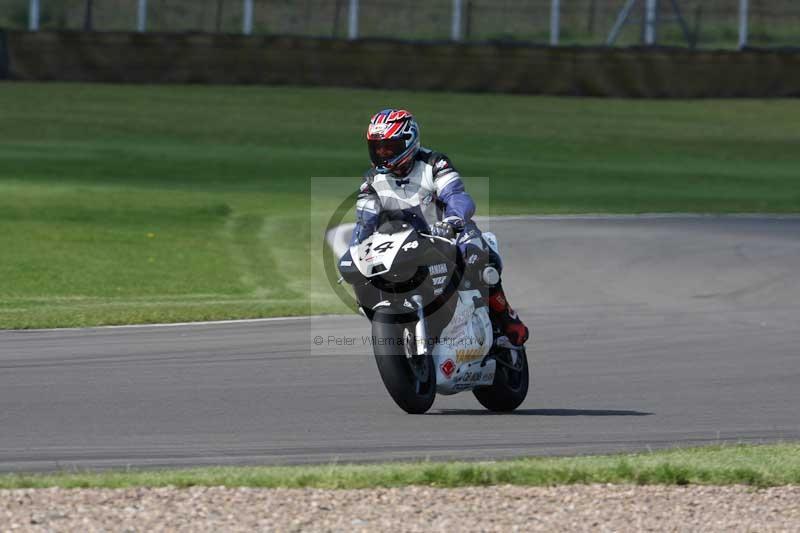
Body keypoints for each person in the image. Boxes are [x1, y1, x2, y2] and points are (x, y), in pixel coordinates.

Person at [348, 108, 529, 347]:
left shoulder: (434, 163)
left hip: (447, 231)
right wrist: (355, 250)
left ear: (409, 141)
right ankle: (395, 328)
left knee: (478, 255)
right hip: (405, 243)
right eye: (377, 147)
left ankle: (506, 317)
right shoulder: (371, 181)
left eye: (389, 147)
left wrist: (453, 221)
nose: (382, 153)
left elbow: (456, 196)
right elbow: (365, 221)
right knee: (365, 276)